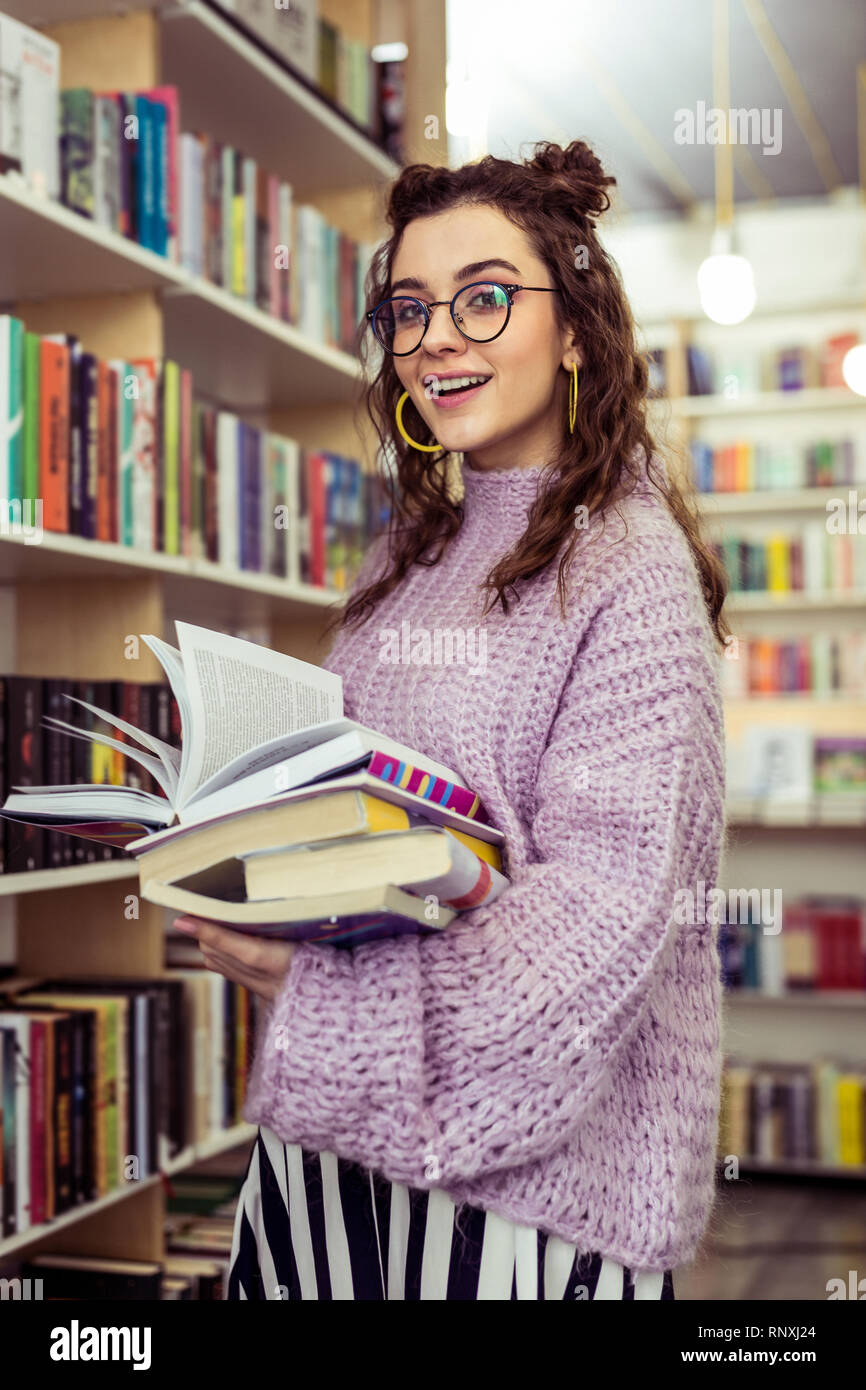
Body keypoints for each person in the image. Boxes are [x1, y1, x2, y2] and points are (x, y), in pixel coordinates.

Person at [173, 139, 728, 1301]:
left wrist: (307, 989)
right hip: (329, 1177)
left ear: (573, 329)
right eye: (410, 308)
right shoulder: (404, 554)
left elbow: (598, 930)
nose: (436, 338)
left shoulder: (630, 569)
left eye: (484, 299)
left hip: (524, 1207)